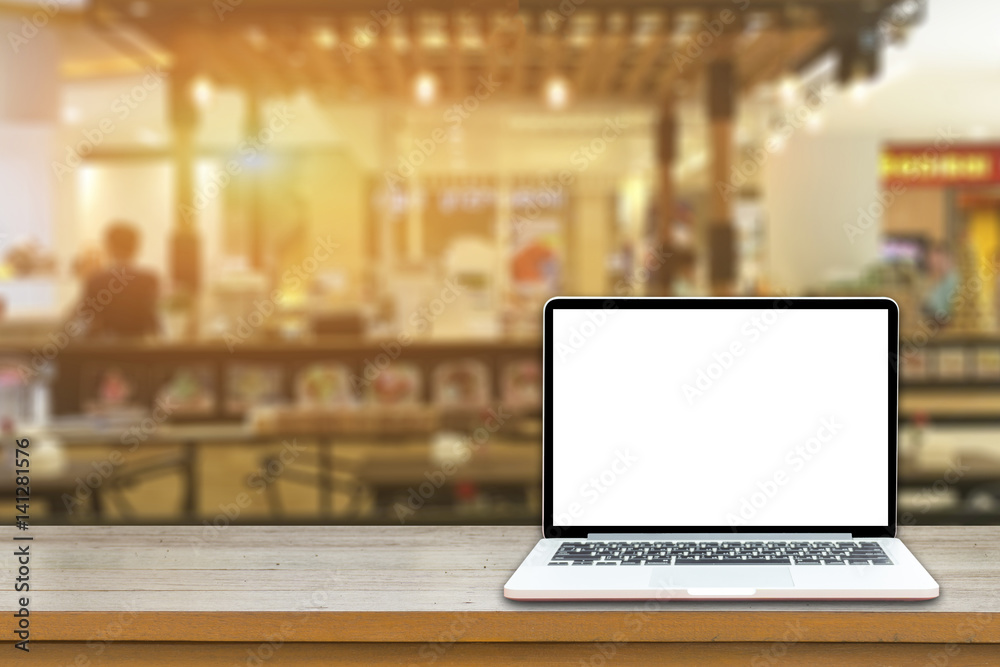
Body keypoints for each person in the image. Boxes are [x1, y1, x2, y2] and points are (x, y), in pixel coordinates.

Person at [77, 222, 160, 338]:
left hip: (104, 350)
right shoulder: (150, 279)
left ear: (109, 247)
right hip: (141, 349)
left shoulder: (96, 280)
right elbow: (155, 319)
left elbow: (85, 318)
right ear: (136, 247)